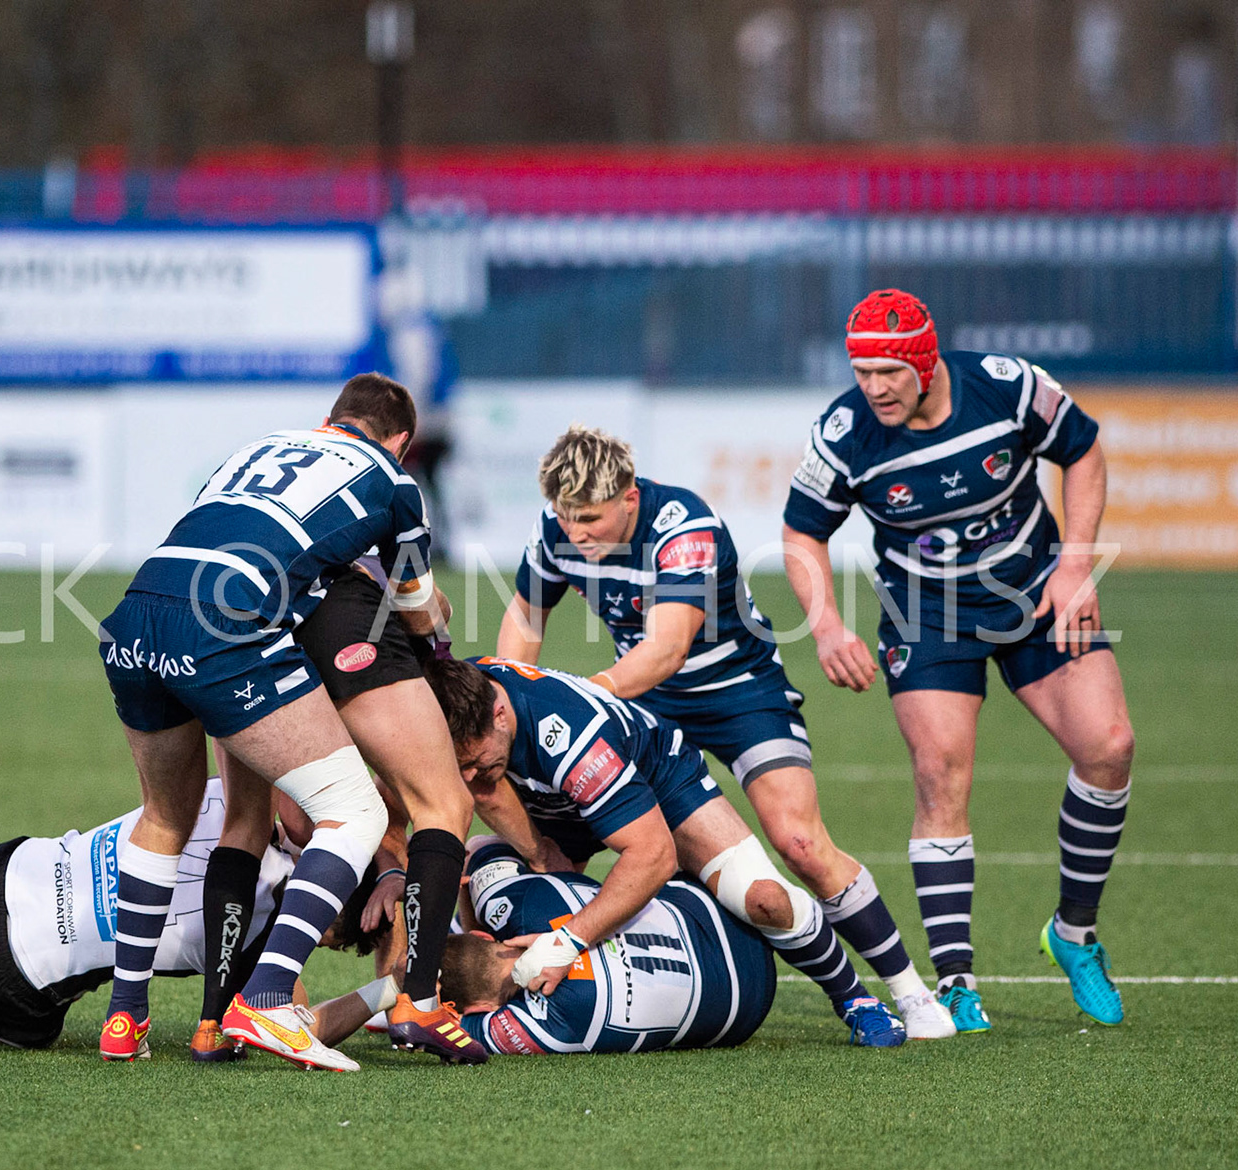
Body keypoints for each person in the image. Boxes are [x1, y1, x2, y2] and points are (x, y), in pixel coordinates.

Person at [496, 425, 954, 1039]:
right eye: (565, 516)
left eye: (589, 519)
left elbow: (664, 650)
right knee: (551, 852)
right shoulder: (557, 530)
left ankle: (909, 992)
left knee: (799, 844)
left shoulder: (683, 529)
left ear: (629, 498)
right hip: (646, 709)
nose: (575, 533)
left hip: (739, 693)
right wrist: (512, 688)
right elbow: (524, 622)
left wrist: (579, 697)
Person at [782, 288, 1135, 1030]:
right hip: (926, 613)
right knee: (941, 772)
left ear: (926, 361)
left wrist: (1076, 568)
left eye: (888, 372)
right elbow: (800, 533)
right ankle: (956, 981)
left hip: (1035, 590)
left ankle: (1073, 934)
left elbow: (1084, 452)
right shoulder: (843, 433)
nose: (872, 387)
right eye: (861, 371)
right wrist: (827, 628)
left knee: (1109, 747)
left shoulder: (1007, 387)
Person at [96, 372, 451, 1071]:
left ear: (329, 419)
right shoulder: (395, 480)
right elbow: (412, 603)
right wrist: (436, 630)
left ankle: (123, 1016)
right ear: (402, 441)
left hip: (138, 609)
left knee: (165, 816)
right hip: (226, 625)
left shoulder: (257, 447)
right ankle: (264, 1002)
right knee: (354, 811)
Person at [423, 654, 907, 1046]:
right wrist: (537, 852)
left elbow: (654, 855)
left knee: (762, 898)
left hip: (656, 779)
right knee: (466, 852)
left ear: (501, 714)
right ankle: (422, 995)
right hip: (554, 797)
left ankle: (855, 999)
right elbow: (483, 786)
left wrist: (568, 940)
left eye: (473, 760)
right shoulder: (457, 697)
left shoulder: (572, 738)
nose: (465, 776)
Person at [0, 776, 406, 1050]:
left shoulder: (247, 794)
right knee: (35, 1022)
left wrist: (386, 860)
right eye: (326, 938)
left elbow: (341, 788)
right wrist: (391, 987)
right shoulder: (257, 940)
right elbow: (297, 1029)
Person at [193, 558, 486, 1065]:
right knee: (444, 802)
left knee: (247, 821)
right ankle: (419, 999)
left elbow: (302, 826)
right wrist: (427, 637)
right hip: (335, 610)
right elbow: (430, 609)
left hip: (221, 613)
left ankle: (209, 1025)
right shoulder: (373, 499)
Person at [438, 838, 776, 1054]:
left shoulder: (543, 1024)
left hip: (744, 1011)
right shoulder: (523, 902)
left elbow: (442, 1030)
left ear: (480, 1009)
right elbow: (480, 845)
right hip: (724, 912)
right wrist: (472, 905)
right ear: (483, 937)